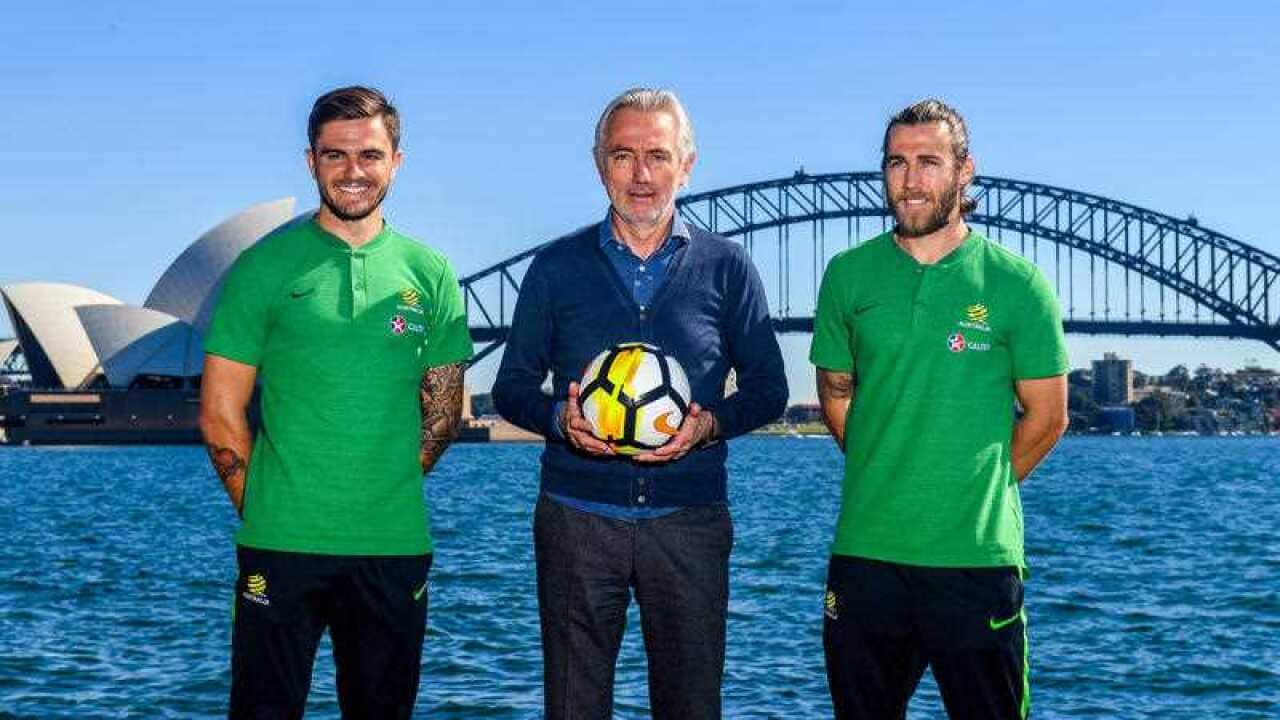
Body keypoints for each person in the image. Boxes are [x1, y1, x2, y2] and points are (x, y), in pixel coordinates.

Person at [492, 87, 787, 720]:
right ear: (600, 164)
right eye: (623, 155)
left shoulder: (728, 268)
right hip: (575, 522)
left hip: (690, 524)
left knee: (689, 708)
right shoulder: (555, 267)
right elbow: (512, 385)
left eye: (658, 154)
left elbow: (770, 389)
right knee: (572, 707)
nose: (642, 174)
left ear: (688, 164)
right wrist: (558, 421)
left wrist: (710, 425)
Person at [199, 85, 473, 719]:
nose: (354, 171)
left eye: (371, 155)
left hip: (393, 545)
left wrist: (377, 485)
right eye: (336, 155)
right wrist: (267, 501)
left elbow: (441, 415)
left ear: (396, 161)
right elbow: (218, 409)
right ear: (310, 161)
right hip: (279, 544)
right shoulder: (261, 267)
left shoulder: (429, 273)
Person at [810, 99, 1069, 719]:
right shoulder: (848, 275)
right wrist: (888, 460)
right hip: (866, 556)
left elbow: (1047, 416)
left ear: (964, 171)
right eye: (897, 162)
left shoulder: (1018, 283)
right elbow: (836, 392)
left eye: (929, 161)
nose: (911, 178)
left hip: (976, 560)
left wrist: (970, 486)